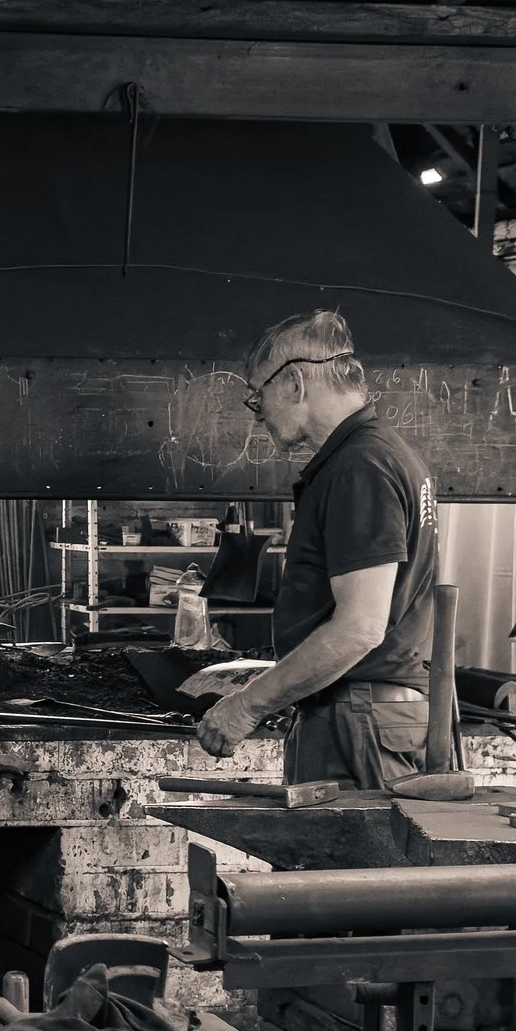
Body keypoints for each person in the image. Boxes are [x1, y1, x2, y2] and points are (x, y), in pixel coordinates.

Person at [195, 310, 441, 787]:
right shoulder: (380, 454)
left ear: (293, 384)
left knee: (347, 861)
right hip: (364, 709)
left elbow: (359, 629)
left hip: (358, 714)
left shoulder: (360, 466)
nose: (258, 412)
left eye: (257, 396)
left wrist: (248, 705)